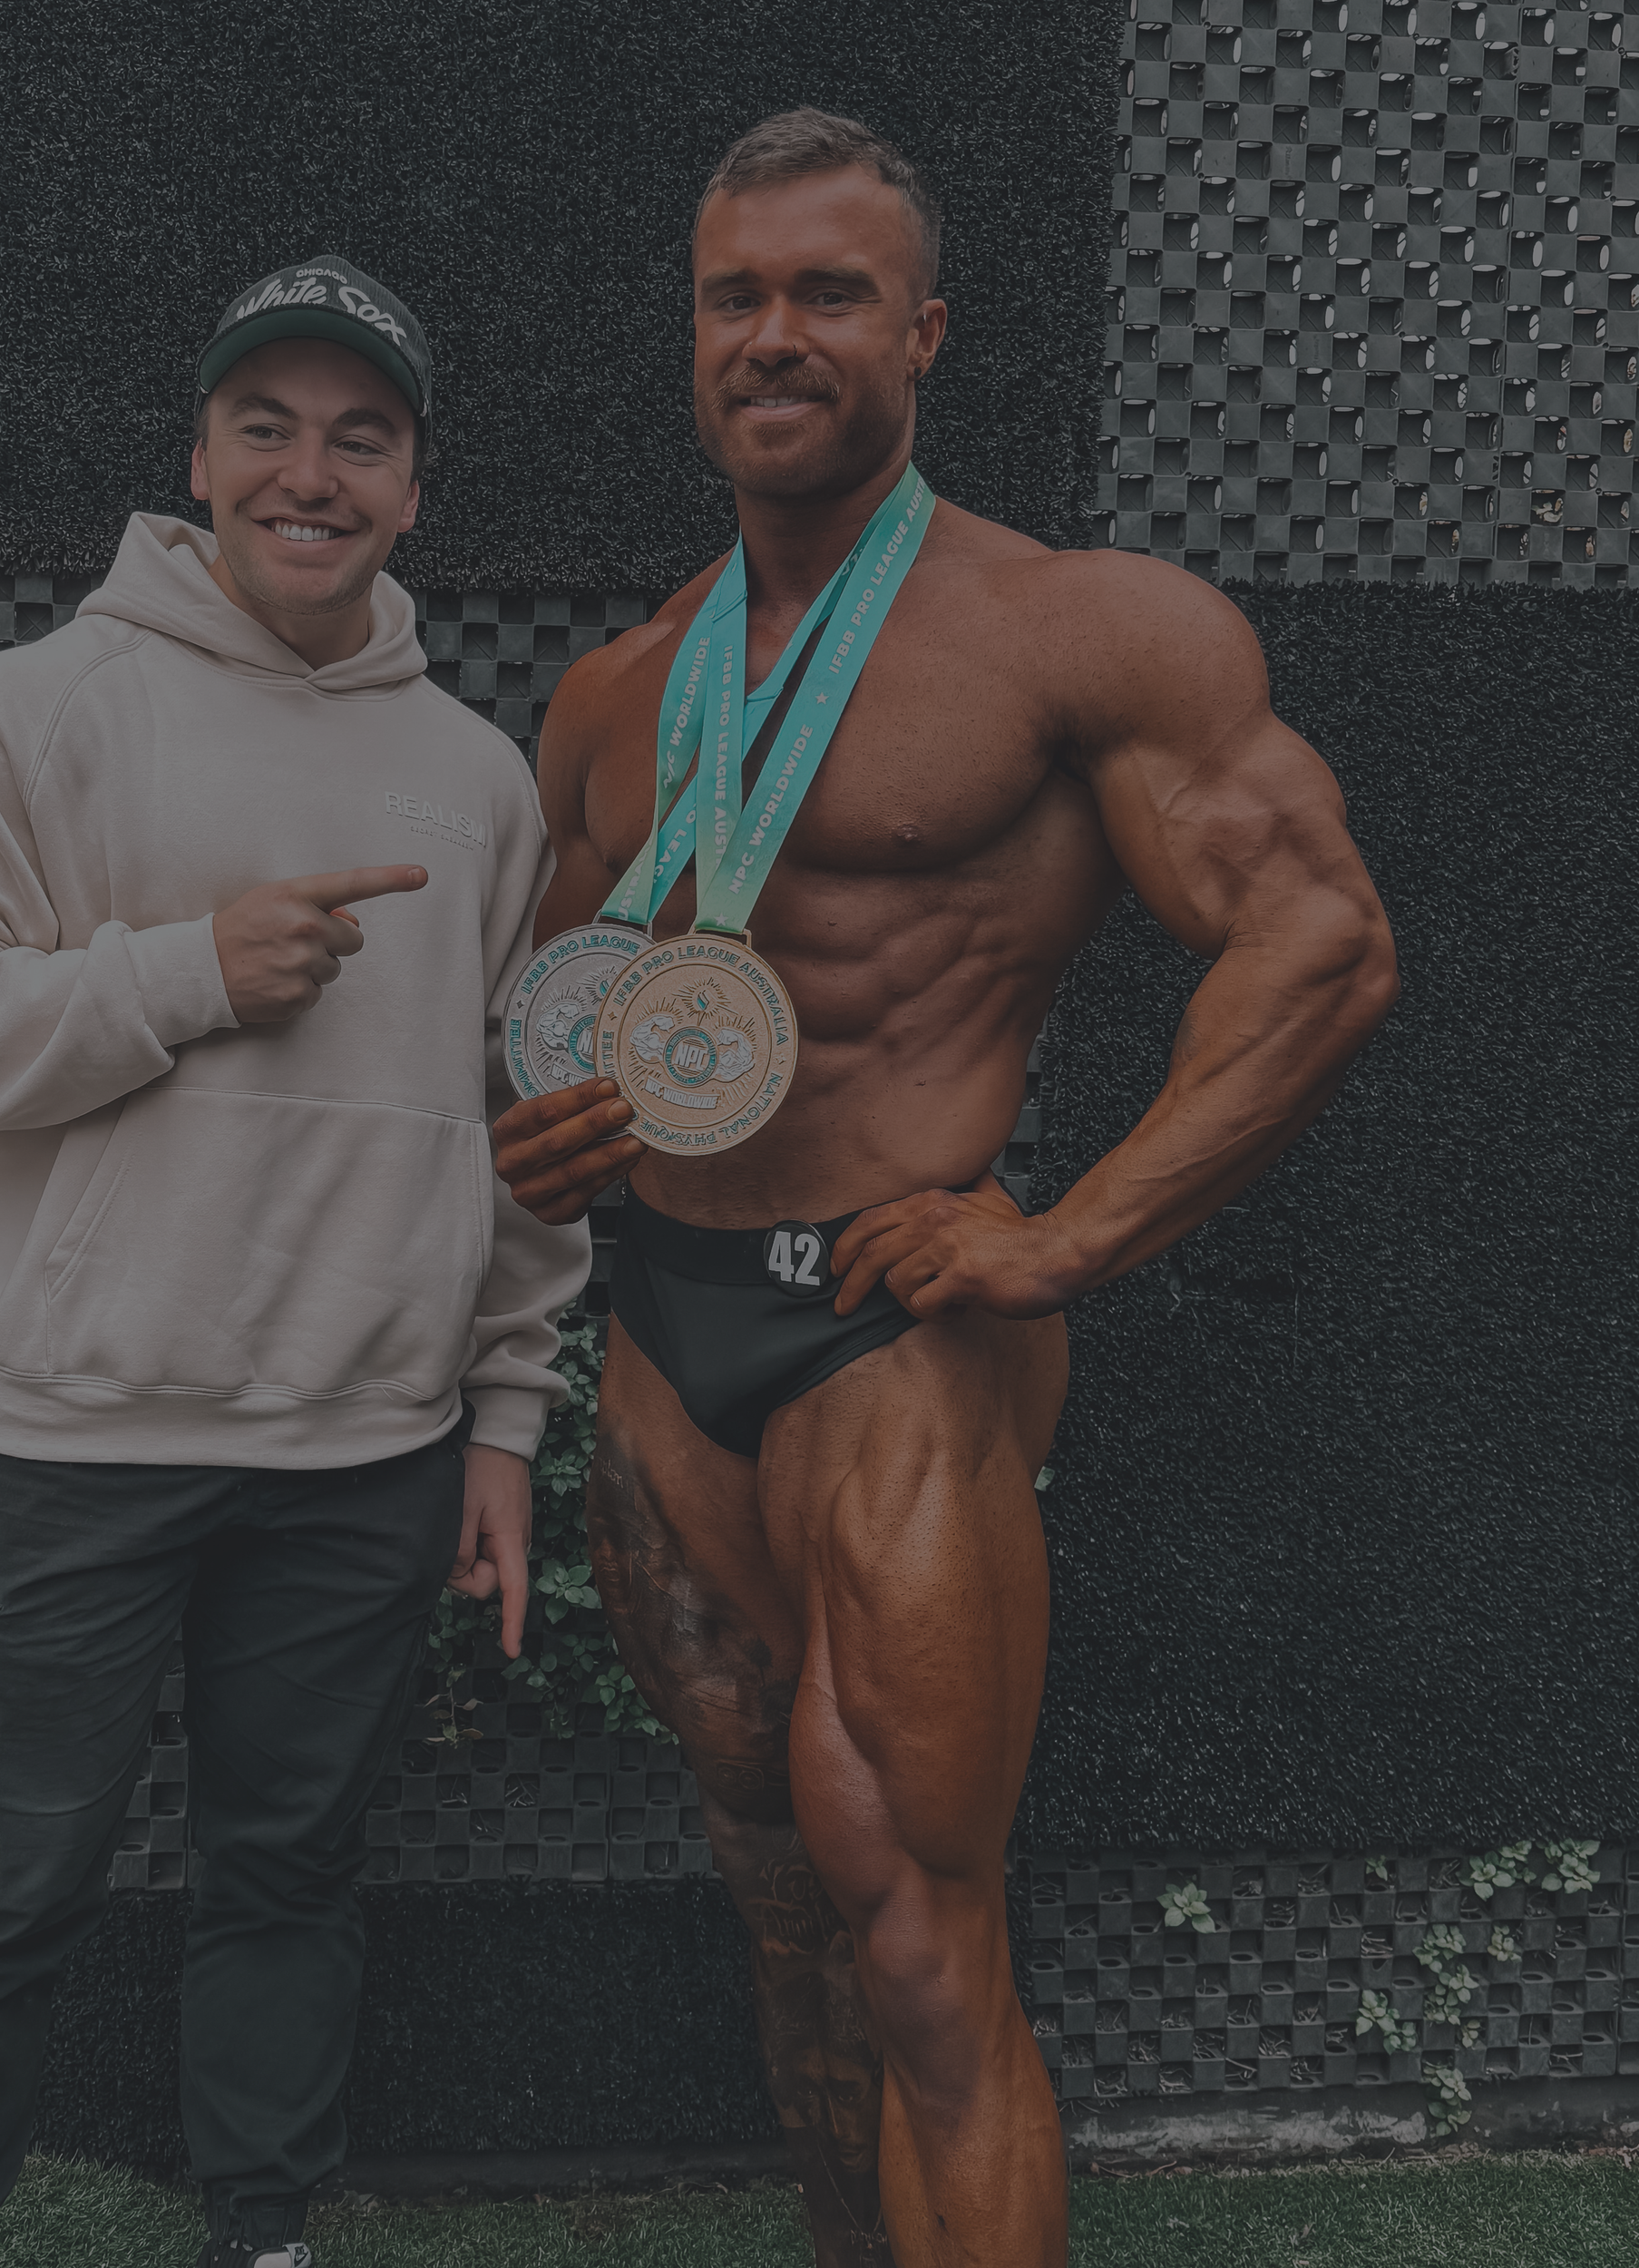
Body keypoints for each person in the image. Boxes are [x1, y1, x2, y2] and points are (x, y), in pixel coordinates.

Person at [492, 112, 1398, 2268]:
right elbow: (556, 995)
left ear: (919, 327)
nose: (771, 333)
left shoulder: (1078, 629)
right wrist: (533, 1120)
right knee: (783, 1906)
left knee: (918, 1943)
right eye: (733, 294)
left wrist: (1070, 1230)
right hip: (661, 1343)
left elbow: (1320, 941)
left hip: (895, 1335)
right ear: (690, 336)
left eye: (823, 290)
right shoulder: (624, 686)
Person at [0, 255, 590, 2268]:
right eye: (269, 425)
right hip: (68, 1441)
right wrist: (179, 973)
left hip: (368, 1455)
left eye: (360, 436)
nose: (308, 473)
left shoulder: (477, 779)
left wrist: (502, 1415)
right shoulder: (32, 713)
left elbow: (509, 1139)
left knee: (288, 1872)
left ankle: (263, 2229)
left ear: (414, 487)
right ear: (199, 457)